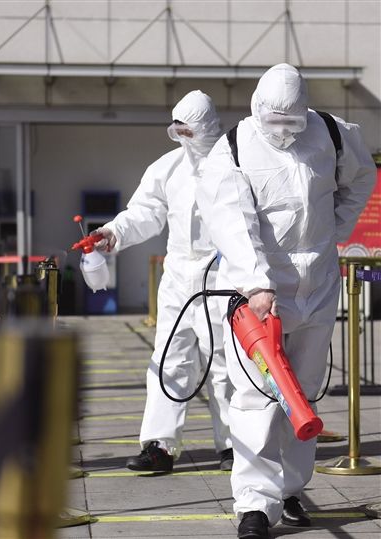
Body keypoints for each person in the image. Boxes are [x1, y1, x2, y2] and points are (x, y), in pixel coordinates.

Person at [195, 64, 376, 538]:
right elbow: (231, 221)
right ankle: (254, 504)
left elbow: (361, 177)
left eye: (292, 123)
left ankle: (291, 489)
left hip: (318, 285)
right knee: (256, 396)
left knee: (304, 393)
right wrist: (257, 282)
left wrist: (336, 229)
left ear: (306, 112)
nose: (282, 132)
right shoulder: (233, 149)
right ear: (256, 108)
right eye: (273, 122)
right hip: (258, 296)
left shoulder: (332, 133)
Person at [93, 90, 234, 473]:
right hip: (178, 278)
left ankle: (233, 446)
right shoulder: (168, 167)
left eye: (189, 131)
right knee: (168, 359)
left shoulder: (236, 164)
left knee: (225, 364)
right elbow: (145, 211)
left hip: (222, 278)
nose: (183, 138)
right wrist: (114, 231)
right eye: (178, 131)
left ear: (207, 128)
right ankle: (159, 446)